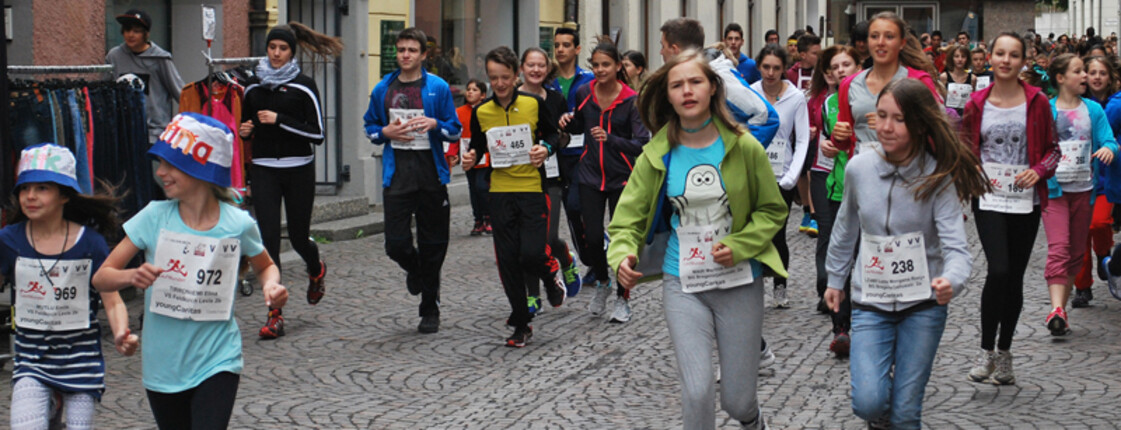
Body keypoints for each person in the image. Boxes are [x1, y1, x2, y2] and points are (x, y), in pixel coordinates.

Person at [609, 50, 787, 430]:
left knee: (738, 400)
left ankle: (753, 420)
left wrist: (740, 245)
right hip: (683, 281)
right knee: (696, 391)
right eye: (677, 85)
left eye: (695, 82)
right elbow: (626, 219)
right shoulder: (656, 154)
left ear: (712, 89)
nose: (687, 91)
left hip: (740, 281)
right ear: (668, 96)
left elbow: (772, 211)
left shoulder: (745, 146)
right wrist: (622, 256)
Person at [92, 113, 289, 429]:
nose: (161, 173)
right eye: (160, 163)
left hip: (218, 358)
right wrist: (131, 276)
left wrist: (271, 287)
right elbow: (102, 277)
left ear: (201, 168)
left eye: (171, 165)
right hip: (163, 365)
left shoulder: (237, 223)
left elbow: (265, 265)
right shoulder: (154, 217)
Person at [826, 78, 989, 430]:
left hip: (923, 307)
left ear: (918, 123)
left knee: (906, 413)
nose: (885, 127)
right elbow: (845, 229)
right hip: (871, 301)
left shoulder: (937, 176)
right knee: (870, 403)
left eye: (897, 119)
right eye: (880, 115)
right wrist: (835, 280)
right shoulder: (859, 169)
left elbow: (958, 249)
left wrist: (952, 281)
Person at [3, 144, 137, 430]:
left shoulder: (90, 244)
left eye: (42, 188)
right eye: (24, 188)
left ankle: (58, 405)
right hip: (31, 360)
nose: (30, 196)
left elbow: (111, 300)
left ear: (64, 195)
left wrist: (121, 333)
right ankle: (51, 403)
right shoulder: (8, 241)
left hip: (80, 361)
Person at [962, 32, 1060, 385]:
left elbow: (1053, 150)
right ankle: (986, 350)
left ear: (1024, 61)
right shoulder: (976, 103)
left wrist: (1038, 170)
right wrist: (971, 166)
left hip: (1025, 200)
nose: (1006, 60)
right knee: (998, 269)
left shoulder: (1037, 101)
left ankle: (1005, 352)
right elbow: (965, 148)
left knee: (1015, 276)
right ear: (989, 57)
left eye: (1013, 55)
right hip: (989, 198)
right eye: (1000, 53)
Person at [239, 22, 339, 339]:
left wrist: (279, 120)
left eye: (283, 49)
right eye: (272, 48)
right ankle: (274, 314)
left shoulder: (304, 85)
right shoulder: (252, 88)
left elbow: (318, 133)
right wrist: (247, 130)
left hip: (299, 169)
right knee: (268, 243)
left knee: (298, 237)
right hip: (265, 168)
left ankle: (315, 268)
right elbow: (247, 125)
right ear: (266, 50)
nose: (277, 53)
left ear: (291, 52)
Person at [462, 46, 565, 347]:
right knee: (508, 261)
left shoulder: (533, 103)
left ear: (516, 75)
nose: (500, 84)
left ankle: (550, 272)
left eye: (505, 77)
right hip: (500, 192)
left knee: (531, 253)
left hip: (532, 190)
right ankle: (521, 322)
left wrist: (545, 148)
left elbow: (553, 135)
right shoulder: (482, 111)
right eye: (494, 78)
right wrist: (471, 156)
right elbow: (478, 146)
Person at [363, 27, 462, 334]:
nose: (405, 55)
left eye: (411, 50)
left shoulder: (438, 87)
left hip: (431, 176)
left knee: (435, 245)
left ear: (423, 55)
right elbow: (370, 127)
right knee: (396, 244)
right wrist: (385, 133)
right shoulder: (383, 88)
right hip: (398, 178)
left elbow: (455, 129)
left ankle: (429, 307)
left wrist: (434, 124)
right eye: (401, 49)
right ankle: (415, 270)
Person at [560, 41, 651, 323]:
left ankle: (623, 299)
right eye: (596, 65)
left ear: (617, 67)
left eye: (606, 65)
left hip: (621, 177)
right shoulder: (585, 92)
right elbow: (580, 124)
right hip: (589, 174)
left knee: (621, 240)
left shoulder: (631, 100)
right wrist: (567, 121)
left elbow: (641, 143)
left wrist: (610, 139)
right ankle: (602, 282)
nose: (600, 70)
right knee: (594, 238)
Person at [1040, 53, 1119, 333]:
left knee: (1075, 253)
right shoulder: (1045, 110)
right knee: (1059, 248)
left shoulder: (1093, 111)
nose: (1085, 76)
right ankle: (1056, 309)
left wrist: (1109, 148)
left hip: (1085, 190)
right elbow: (1035, 147)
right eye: (1078, 71)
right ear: (1061, 78)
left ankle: (1062, 304)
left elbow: (1108, 138)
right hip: (1054, 192)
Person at [517, 46, 582, 314]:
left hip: (551, 176)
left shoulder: (555, 98)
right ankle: (532, 295)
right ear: (521, 67)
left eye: (540, 65)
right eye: (530, 65)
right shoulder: (510, 97)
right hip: (517, 177)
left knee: (548, 237)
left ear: (547, 69)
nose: (535, 70)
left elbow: (564, 136)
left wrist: (554, 142)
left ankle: (564, 257)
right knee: (526, 242)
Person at [832, 12, 943, 159]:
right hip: (863, 173)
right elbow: (845, 141)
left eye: (889, 37)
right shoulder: (850, 84)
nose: (880, 42)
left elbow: (938, 132)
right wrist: (839, 136)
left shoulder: (918, 81)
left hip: (907, 172)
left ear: (902, 43)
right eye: (874, 36)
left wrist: (893, 122)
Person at [811, 45, 862, 357]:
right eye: (836, 66)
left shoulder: (874, 98)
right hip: (837, 189)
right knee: (838, 258)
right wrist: (832, 148)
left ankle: (867, 321)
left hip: (868, 192)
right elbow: (832, 142)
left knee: (863, 260)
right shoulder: (829, 103)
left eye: (848, 64)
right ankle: (840, 328)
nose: (842, 70)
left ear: (858, 66)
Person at [751, 44, 810, 309]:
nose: (771, 73)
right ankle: (752, 285)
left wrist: (792, 176)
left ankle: (780, 284)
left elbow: (803, 140)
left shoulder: (796, 97)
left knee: (777, 233)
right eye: (766, 67)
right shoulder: (749, 94)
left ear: (783, 68)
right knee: (753, 231)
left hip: (782, 175)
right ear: (759, 66)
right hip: (754, 175)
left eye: (776, 68)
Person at [659, 18, 779, 147]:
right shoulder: (676, 79)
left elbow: (768, 117)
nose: (661, 52)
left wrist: (737, 158)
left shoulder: (719, 76)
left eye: (662, 46)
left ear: (675, 49)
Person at [547, 27, 598, 288]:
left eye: (566, 45)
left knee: (580, 205)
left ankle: (596, 253)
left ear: (577, 49)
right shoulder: (548, 83)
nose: (560, 50)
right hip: (556, 156)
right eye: (557, 45)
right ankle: (589, 257)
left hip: (584, 154)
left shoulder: (588, 80)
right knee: (569, 210)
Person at [1073, 56, 1121, 307]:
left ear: (1110, 77)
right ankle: (1082, 287)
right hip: (1077, 177)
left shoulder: (1116, 105)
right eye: (1092, 72)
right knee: (1079, 234)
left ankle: (1104, 254)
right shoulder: (1076, 104)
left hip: (1106, 178)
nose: (1097, 77)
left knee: (1099, 224)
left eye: (1102, 73)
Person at [106, 9, 185, 146]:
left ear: (146, 34)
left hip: (154, 131)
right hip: (123, 129)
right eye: (127, 30)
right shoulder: (114, 56)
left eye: (136, 31)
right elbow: (106, 89)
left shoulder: (160, 58)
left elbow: (180, 92)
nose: (130, 35)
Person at [457, 79, 493, 236]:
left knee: (482, 186)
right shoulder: (459, 112)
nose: (470, 92)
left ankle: (488, 217)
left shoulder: (486, 111)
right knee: (473, 188)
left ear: (483, 95)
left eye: (475, 90)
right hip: (467, 154)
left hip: (485, 155)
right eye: (468, 89)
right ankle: (478, 220)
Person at [940, 44, 977, 114]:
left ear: (967, 59)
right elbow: (941, 100)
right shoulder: (944, 77)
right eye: (956, 56)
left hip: (966, 117)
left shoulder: (973, 78)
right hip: (949, 118)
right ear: (952, 58)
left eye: (963, 56)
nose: (960, 59)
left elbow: (973, 100)